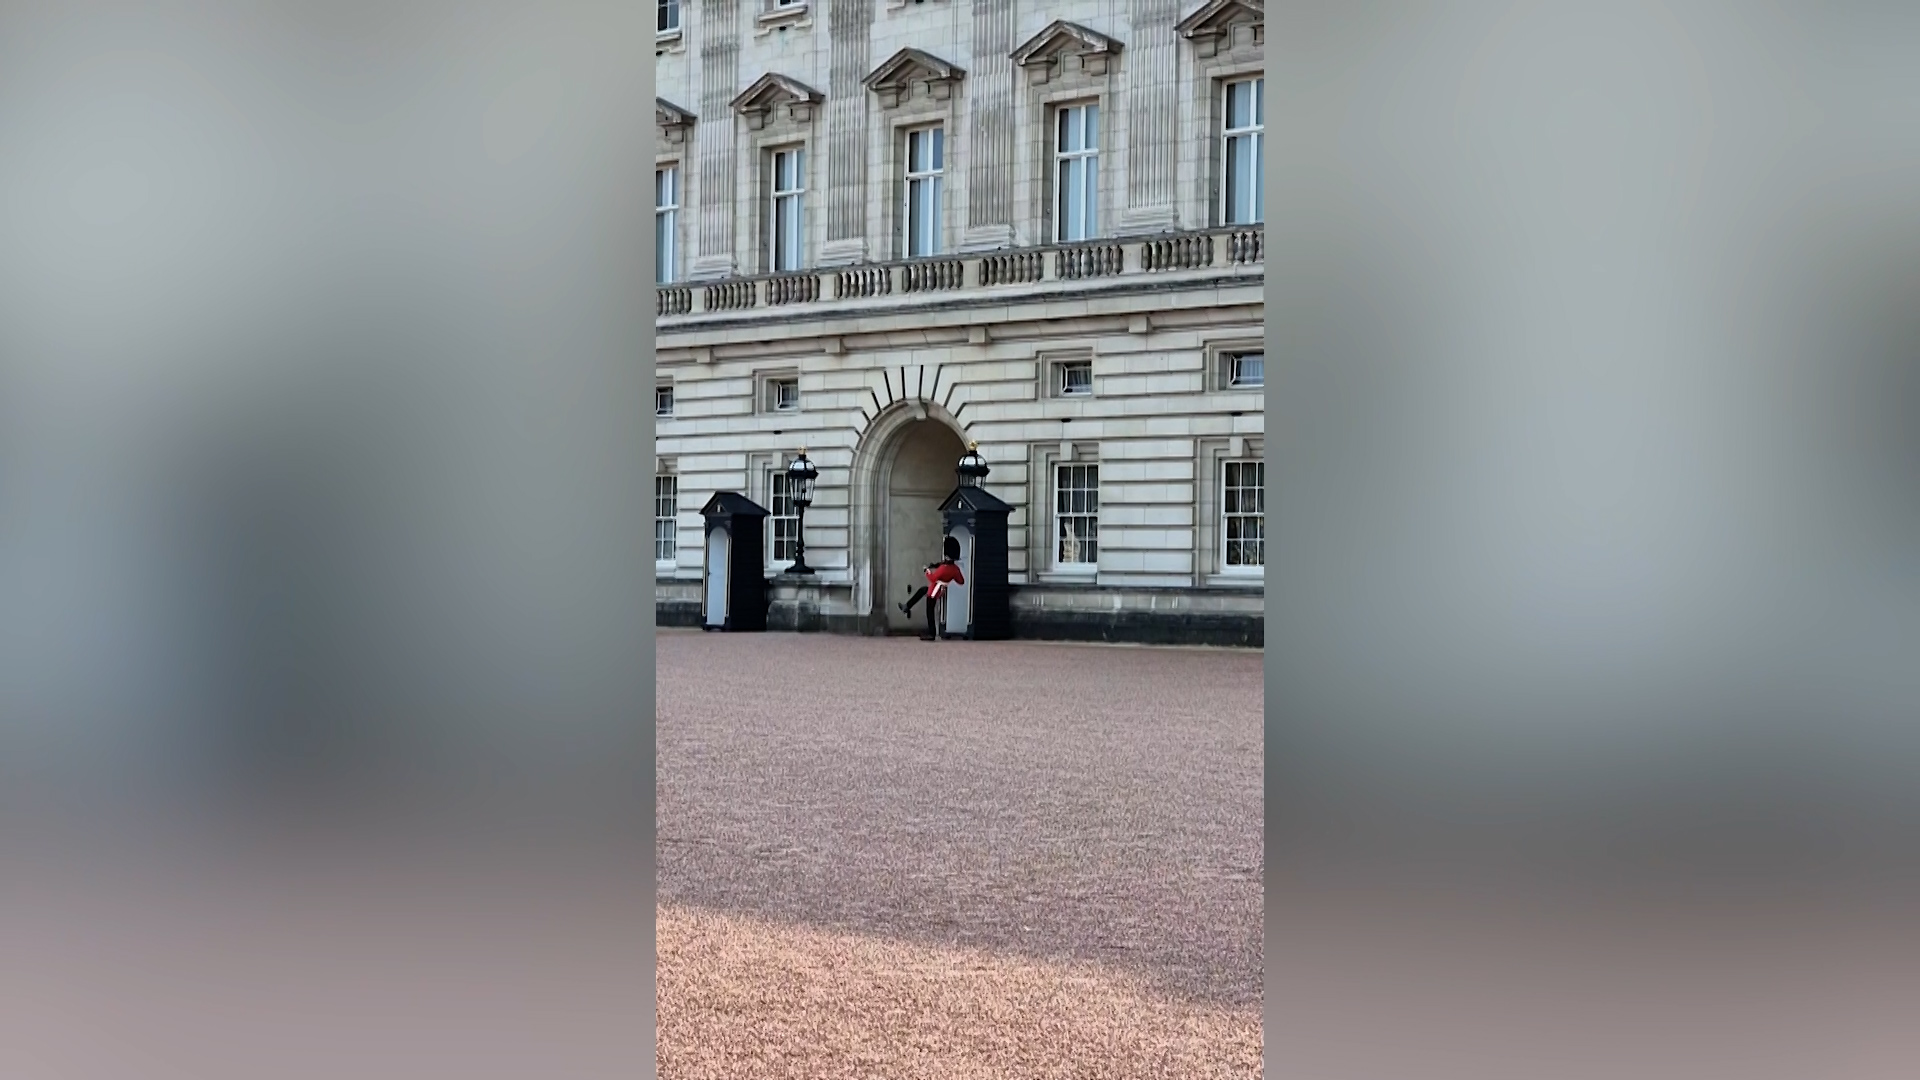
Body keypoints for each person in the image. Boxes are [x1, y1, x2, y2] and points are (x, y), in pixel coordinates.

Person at [899, 535, 965, 641]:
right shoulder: (954, 569)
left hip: (934, 591)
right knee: (922, 590)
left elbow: (933, 578)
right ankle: (907, 606)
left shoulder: (944, 568)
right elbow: (961, 581)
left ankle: (932, 633)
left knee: (929, 612)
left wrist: (927, 571)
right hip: (940, 589)